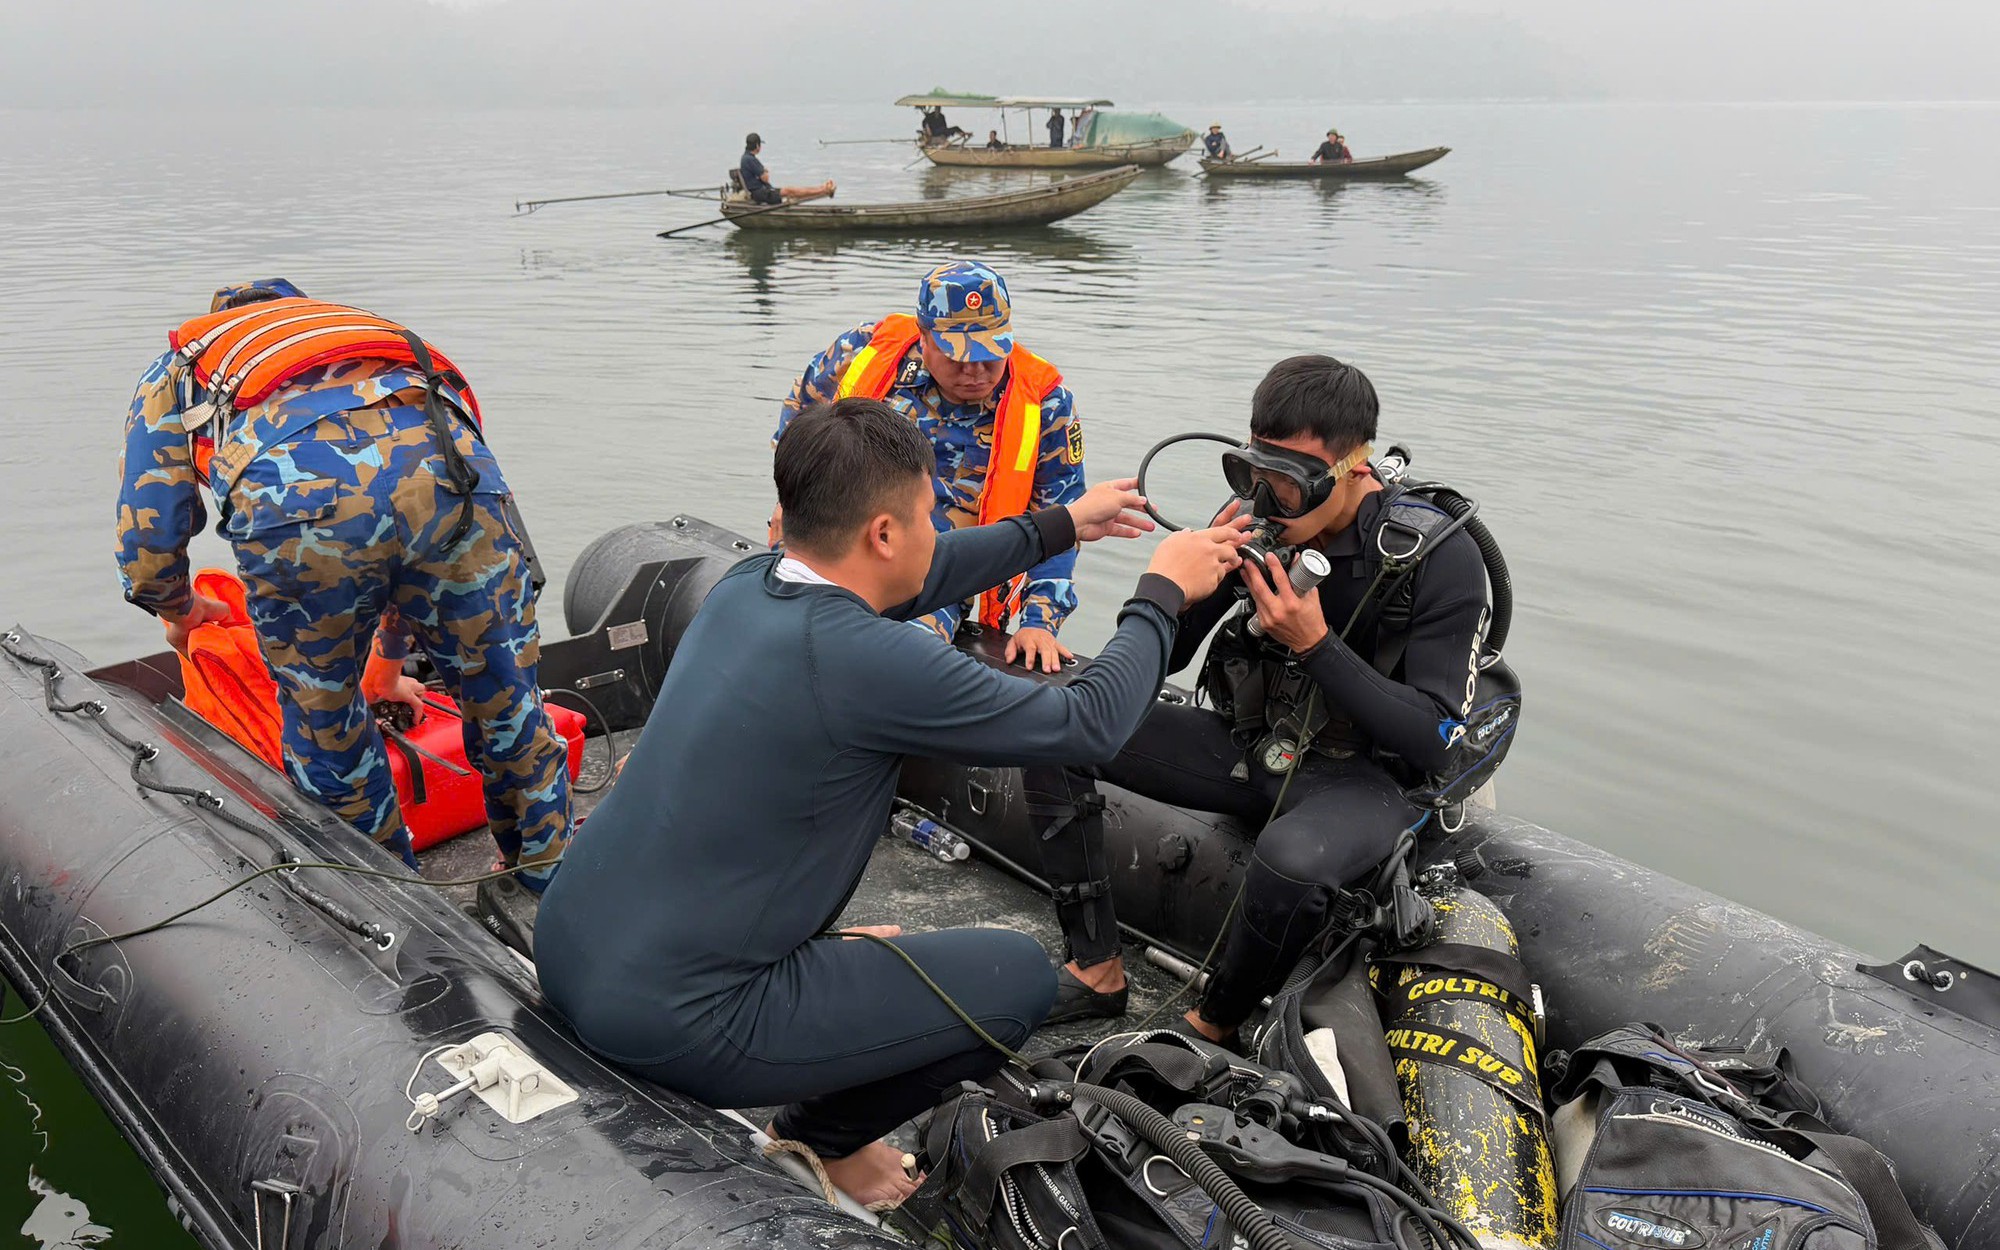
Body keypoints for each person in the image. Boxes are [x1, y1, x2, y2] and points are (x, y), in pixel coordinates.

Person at [535, 398, 1251, 1206]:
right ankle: (821, 1139)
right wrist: (1161, 594)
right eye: (928, 513)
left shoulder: (749, 585)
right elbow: (1085, 724)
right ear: (882, 533)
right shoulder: (868, 661)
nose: (936, 528)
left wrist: (1061, 525)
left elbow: (920, 575)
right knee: (1010, 976)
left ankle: (811, 987)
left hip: (571, 943)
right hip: (677, 1019)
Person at [1029, 355, 1495, 1036]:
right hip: (1254, 744)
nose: (1267, 499)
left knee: (1290, 860)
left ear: (1352, 469)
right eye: (1254, 474)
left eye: (1289, 484)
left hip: (1361, 778)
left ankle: (1213, 1024)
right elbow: (1176, 653)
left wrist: (1318, 646)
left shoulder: (1436, 557)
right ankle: (1095, 968)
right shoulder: (1259, 524)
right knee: (1054, 725)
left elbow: (1433, 742)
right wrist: (1188, 579)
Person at [114, 279, 574, 890]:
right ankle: (548, 875)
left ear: (223, 321)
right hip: (460, 486)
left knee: (325, 720)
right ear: (299, 309)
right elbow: (405, 497)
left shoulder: (183, 367)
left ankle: (393, 903)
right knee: (506, 697)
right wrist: (387, 656)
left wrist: (177, 606)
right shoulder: (368, 334)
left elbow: (148, 530)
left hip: (297, 513)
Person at [739, 132, 834, 206]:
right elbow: (765, 178)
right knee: (790, 191)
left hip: (762, 192)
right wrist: (765, 171)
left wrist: (763, 171)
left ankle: (822, 188)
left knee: (790, 191)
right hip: (761, 194)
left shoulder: (746, 158)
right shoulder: (750, 159)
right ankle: (824, 190)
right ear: (757, 146)